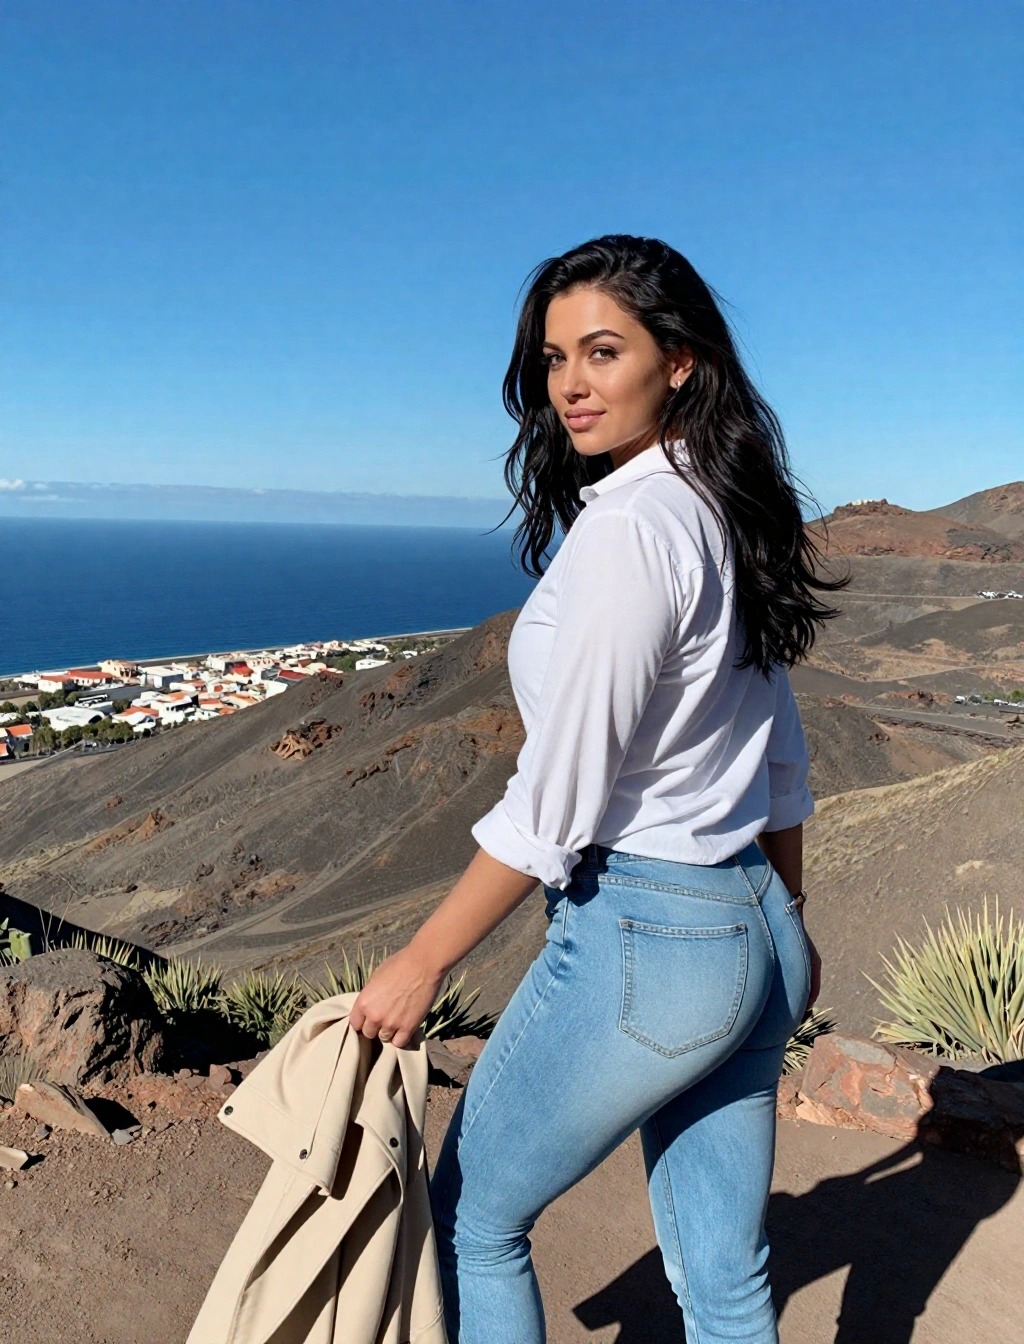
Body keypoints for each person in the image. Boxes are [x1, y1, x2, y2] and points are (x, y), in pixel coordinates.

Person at [349, 234, 844, 1343]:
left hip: (649, 934)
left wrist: (423, 961)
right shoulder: (721, 511)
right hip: (750, 923)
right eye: (553, 357)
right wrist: (792, 924)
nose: (569, 383)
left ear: (679, 362)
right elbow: (779, 756)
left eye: (601, 351)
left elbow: (555, 806)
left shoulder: (630, 531)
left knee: (473, 1219)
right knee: (724, 1283)